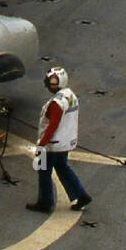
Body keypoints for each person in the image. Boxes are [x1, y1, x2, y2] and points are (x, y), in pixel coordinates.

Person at [26, 65, 92, 213]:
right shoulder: (70, 96)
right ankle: (81, 194)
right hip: (65, 142)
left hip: (51, 144)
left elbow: (53, 125)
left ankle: (45, 202)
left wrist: (42, 144)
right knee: (63, 167)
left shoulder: (56, 102)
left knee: (43, 171)